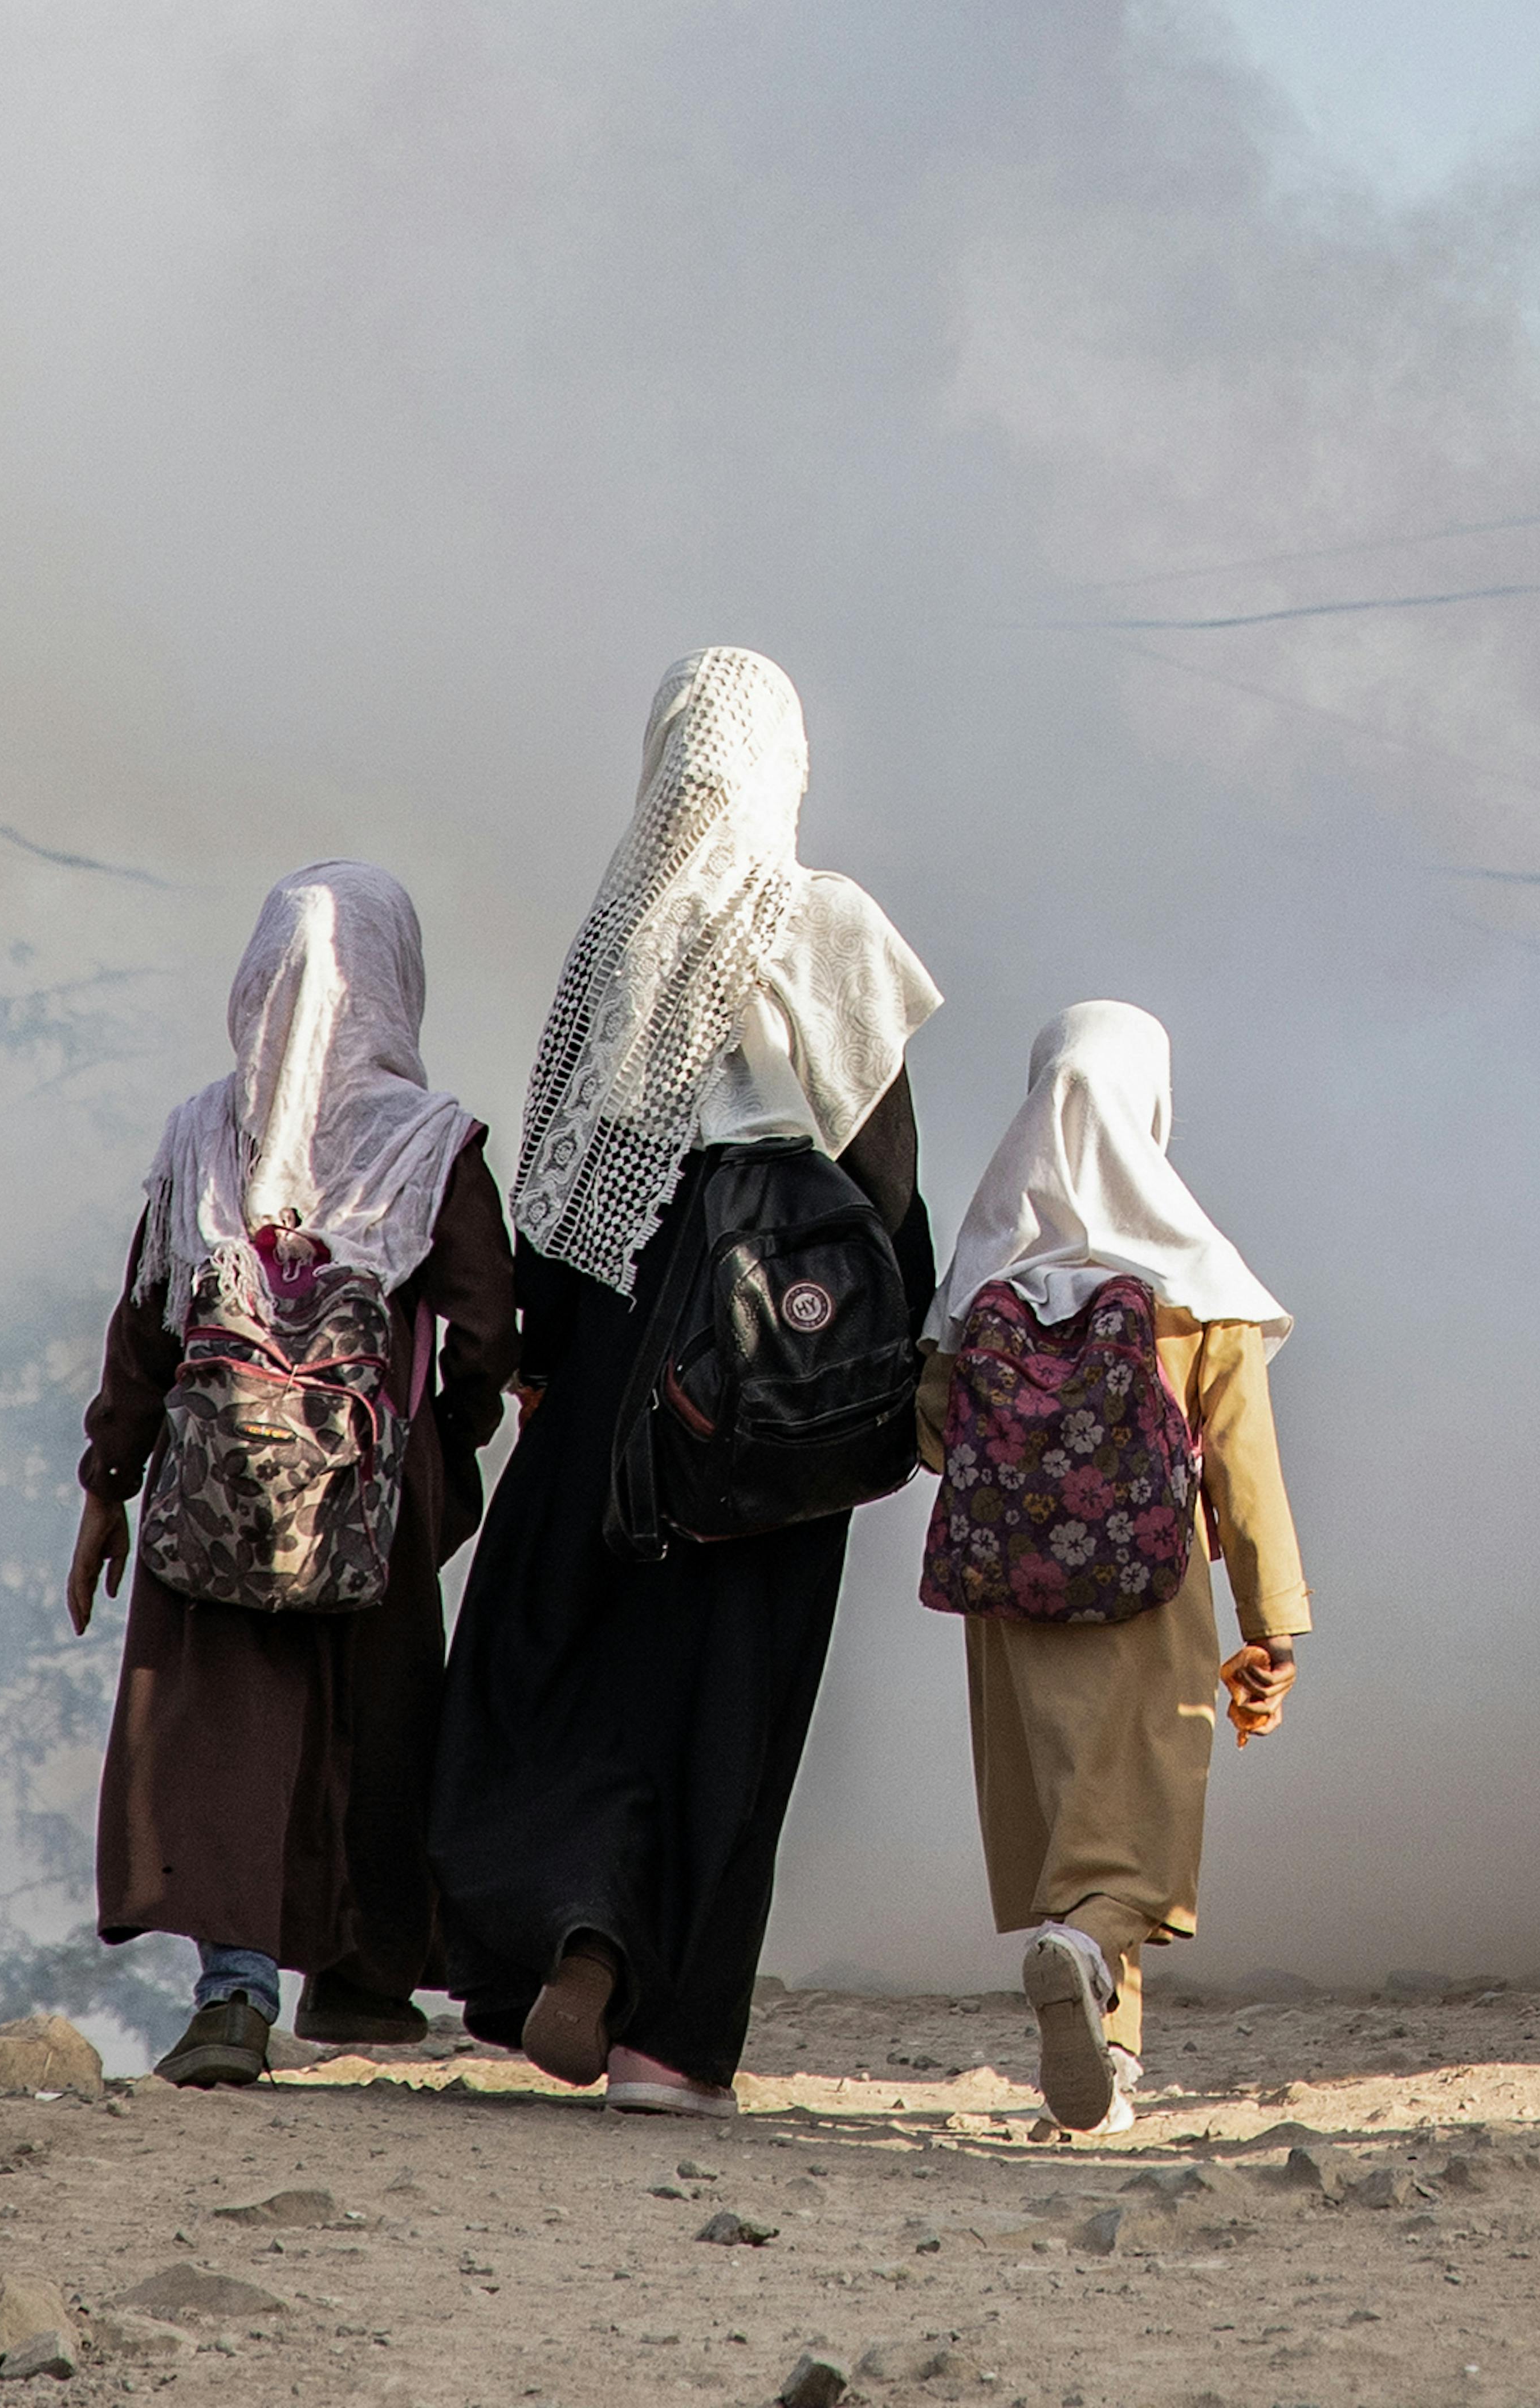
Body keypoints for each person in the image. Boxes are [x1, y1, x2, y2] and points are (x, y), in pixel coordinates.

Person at [426, 646, 940, 2118]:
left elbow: (569, 1189)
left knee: (569, 1651)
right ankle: (674, 2045)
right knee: (735, 1687)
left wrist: (552, 1373)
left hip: (615, 1344)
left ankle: (569, 1928)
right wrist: (889, 1380)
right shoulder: (834, 922)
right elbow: (883, 1179)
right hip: (777, 1346)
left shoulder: (616, 939)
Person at [71, 860, 518, 2085]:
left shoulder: (197, 1132)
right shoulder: (435, 1146)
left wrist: (107, 1480)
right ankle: (361, 1982)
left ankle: (231, 1996)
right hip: (368, 1496)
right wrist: (437, 1457)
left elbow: (148, 1320)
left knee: (228, 1735)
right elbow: (481, 1329)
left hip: (211, 1497)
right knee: (369, 1726)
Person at [916, 1000, 1309, 2136]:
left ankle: (1109, 2055)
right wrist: (1270, 1624)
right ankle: (1084, 1953)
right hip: (1153, 1594)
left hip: (1011, 1607)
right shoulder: (1193, 1282)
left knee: (1066, 1814)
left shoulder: (980, 1281)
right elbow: (1245, 1469)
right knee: (1140, 1826)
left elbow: (936, 1439)